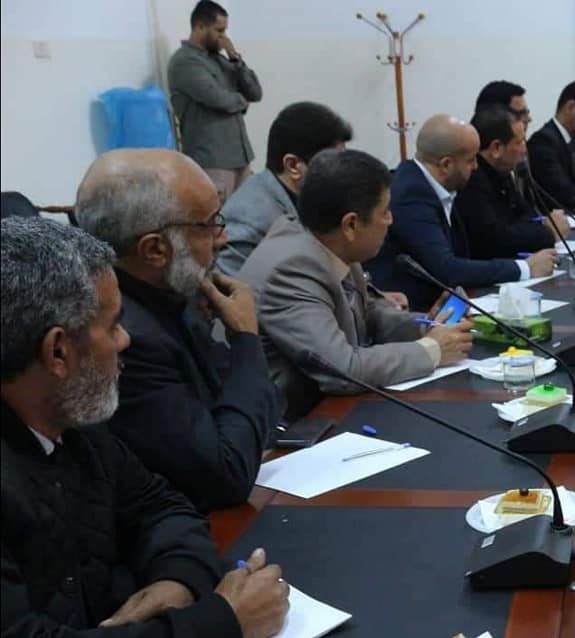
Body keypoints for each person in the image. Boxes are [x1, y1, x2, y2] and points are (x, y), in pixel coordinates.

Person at [1, 216, 289, 636]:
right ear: (58, 352)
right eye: (113, 326)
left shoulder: (75, 424)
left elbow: (163, 509)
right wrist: (223, 622)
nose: (126, 340)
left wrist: (177, 582)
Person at [73, 149, 283, 513]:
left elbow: (264, 411)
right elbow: (226, 477)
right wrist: (246, 340)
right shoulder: (125, 341)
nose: (223, 237)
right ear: (155, 249)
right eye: (210, 224)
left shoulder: (173, 291)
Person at [239, 149, 475, 419]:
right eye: (384, 212)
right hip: (293, 424)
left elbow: (367, 315)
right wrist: (432, 350)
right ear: (350, 224)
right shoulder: (291, 270)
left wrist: (426, 326)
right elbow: (342, 371)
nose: (391, 220)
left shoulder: (329, 241)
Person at [365, 114, 556, 310]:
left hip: (445, 303)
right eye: (471, 160)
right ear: (446, 164)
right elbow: (447, 269)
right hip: (413, 312)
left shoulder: (439, 185)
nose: (476, 167)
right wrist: (525, 268)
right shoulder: (411, 196)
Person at [216, 101, 352, 276]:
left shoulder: (307, 197)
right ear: (293, 166)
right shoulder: (250, 220)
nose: (340, 174)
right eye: (332, 164)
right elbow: (228, 289)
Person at [167, 0, 262, 202]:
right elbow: (218, 99)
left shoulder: (220, 59)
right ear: (200, 27)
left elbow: (255, 93)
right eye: (219, 30)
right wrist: (241, 101)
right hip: (212, 161)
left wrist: (235, 59)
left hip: (240, 156)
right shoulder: (184, 62)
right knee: (218, 216)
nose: (224, 37)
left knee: (245, 215)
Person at [456, 104, 566, 260]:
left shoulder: (502, 171)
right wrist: (548, 232)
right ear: (496, 148)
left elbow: (528, 215)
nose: (525, 150)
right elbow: (496, 241)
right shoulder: (472, 180)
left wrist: (530, 228)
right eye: (519, 142)